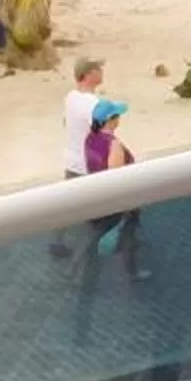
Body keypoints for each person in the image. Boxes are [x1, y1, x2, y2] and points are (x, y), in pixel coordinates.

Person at [82, 97, 149, 279]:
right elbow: (117, 177)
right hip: (119, 200)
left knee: (96, 233)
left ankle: (83, 267)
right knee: (127, 231)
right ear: (111, 120)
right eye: (118, 115)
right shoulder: (114, 145)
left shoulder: (90, 138)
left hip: (97, 194)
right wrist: (126, 205)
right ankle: (131, 271)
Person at [48, 56, 105, 258]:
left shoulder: (70, 97)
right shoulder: (94, 103)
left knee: (68, 206)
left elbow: (66, 122)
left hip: (72, 160)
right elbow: (101, 133)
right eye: (98, 69)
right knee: (102, 210)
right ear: (89, 74)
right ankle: (92, 252)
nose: (102, 72)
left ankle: (57, 242)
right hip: (89, 165)